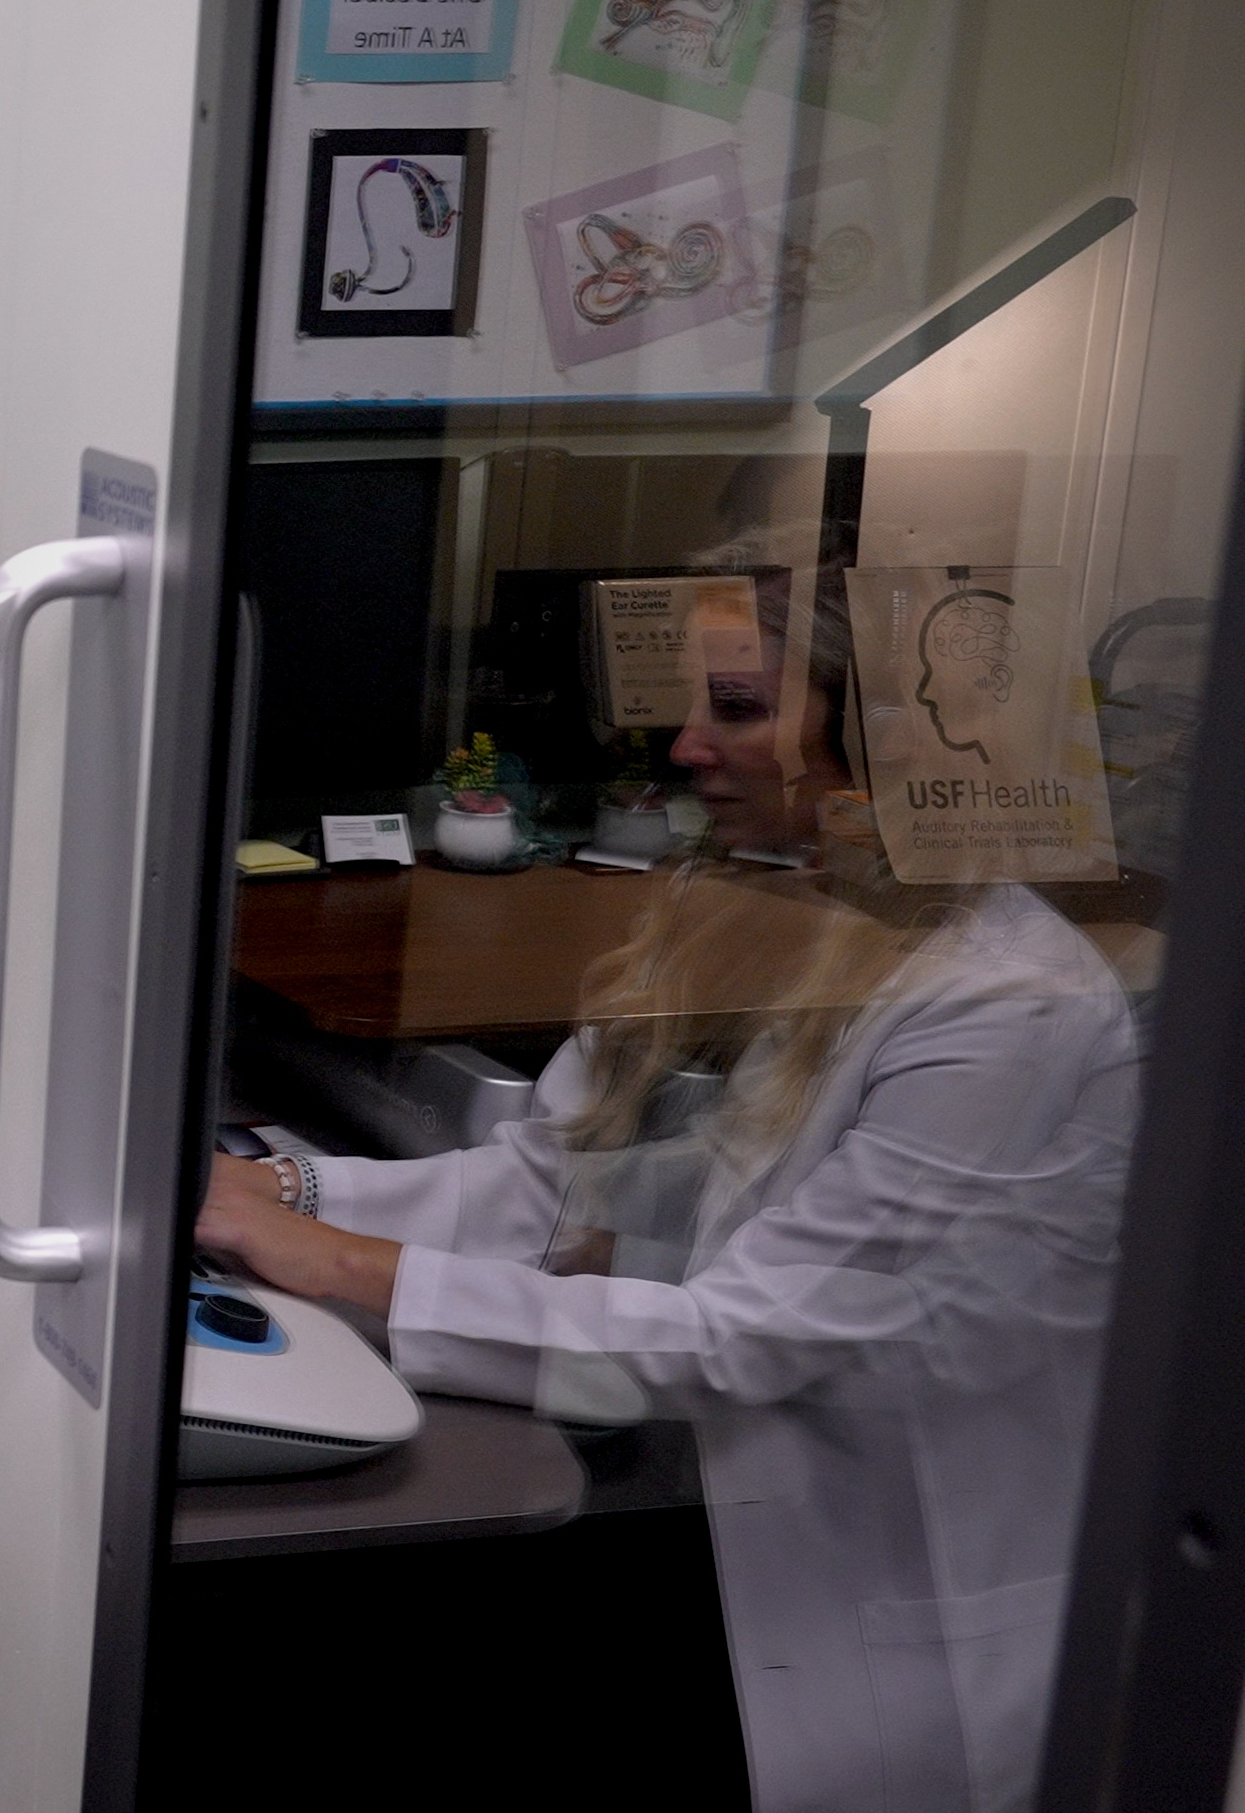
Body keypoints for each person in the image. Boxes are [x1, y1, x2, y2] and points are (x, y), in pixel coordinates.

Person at [202, 585, 1138, 1813]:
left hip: (870, 1594)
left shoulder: (1009, 1005)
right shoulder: (762, 910)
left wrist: (329, 1262)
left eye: (738, 707)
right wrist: (281, 1186)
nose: (687, 745)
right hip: (684, 1501)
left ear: (890, 745)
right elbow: (540, 1186)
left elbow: (746, 1337)